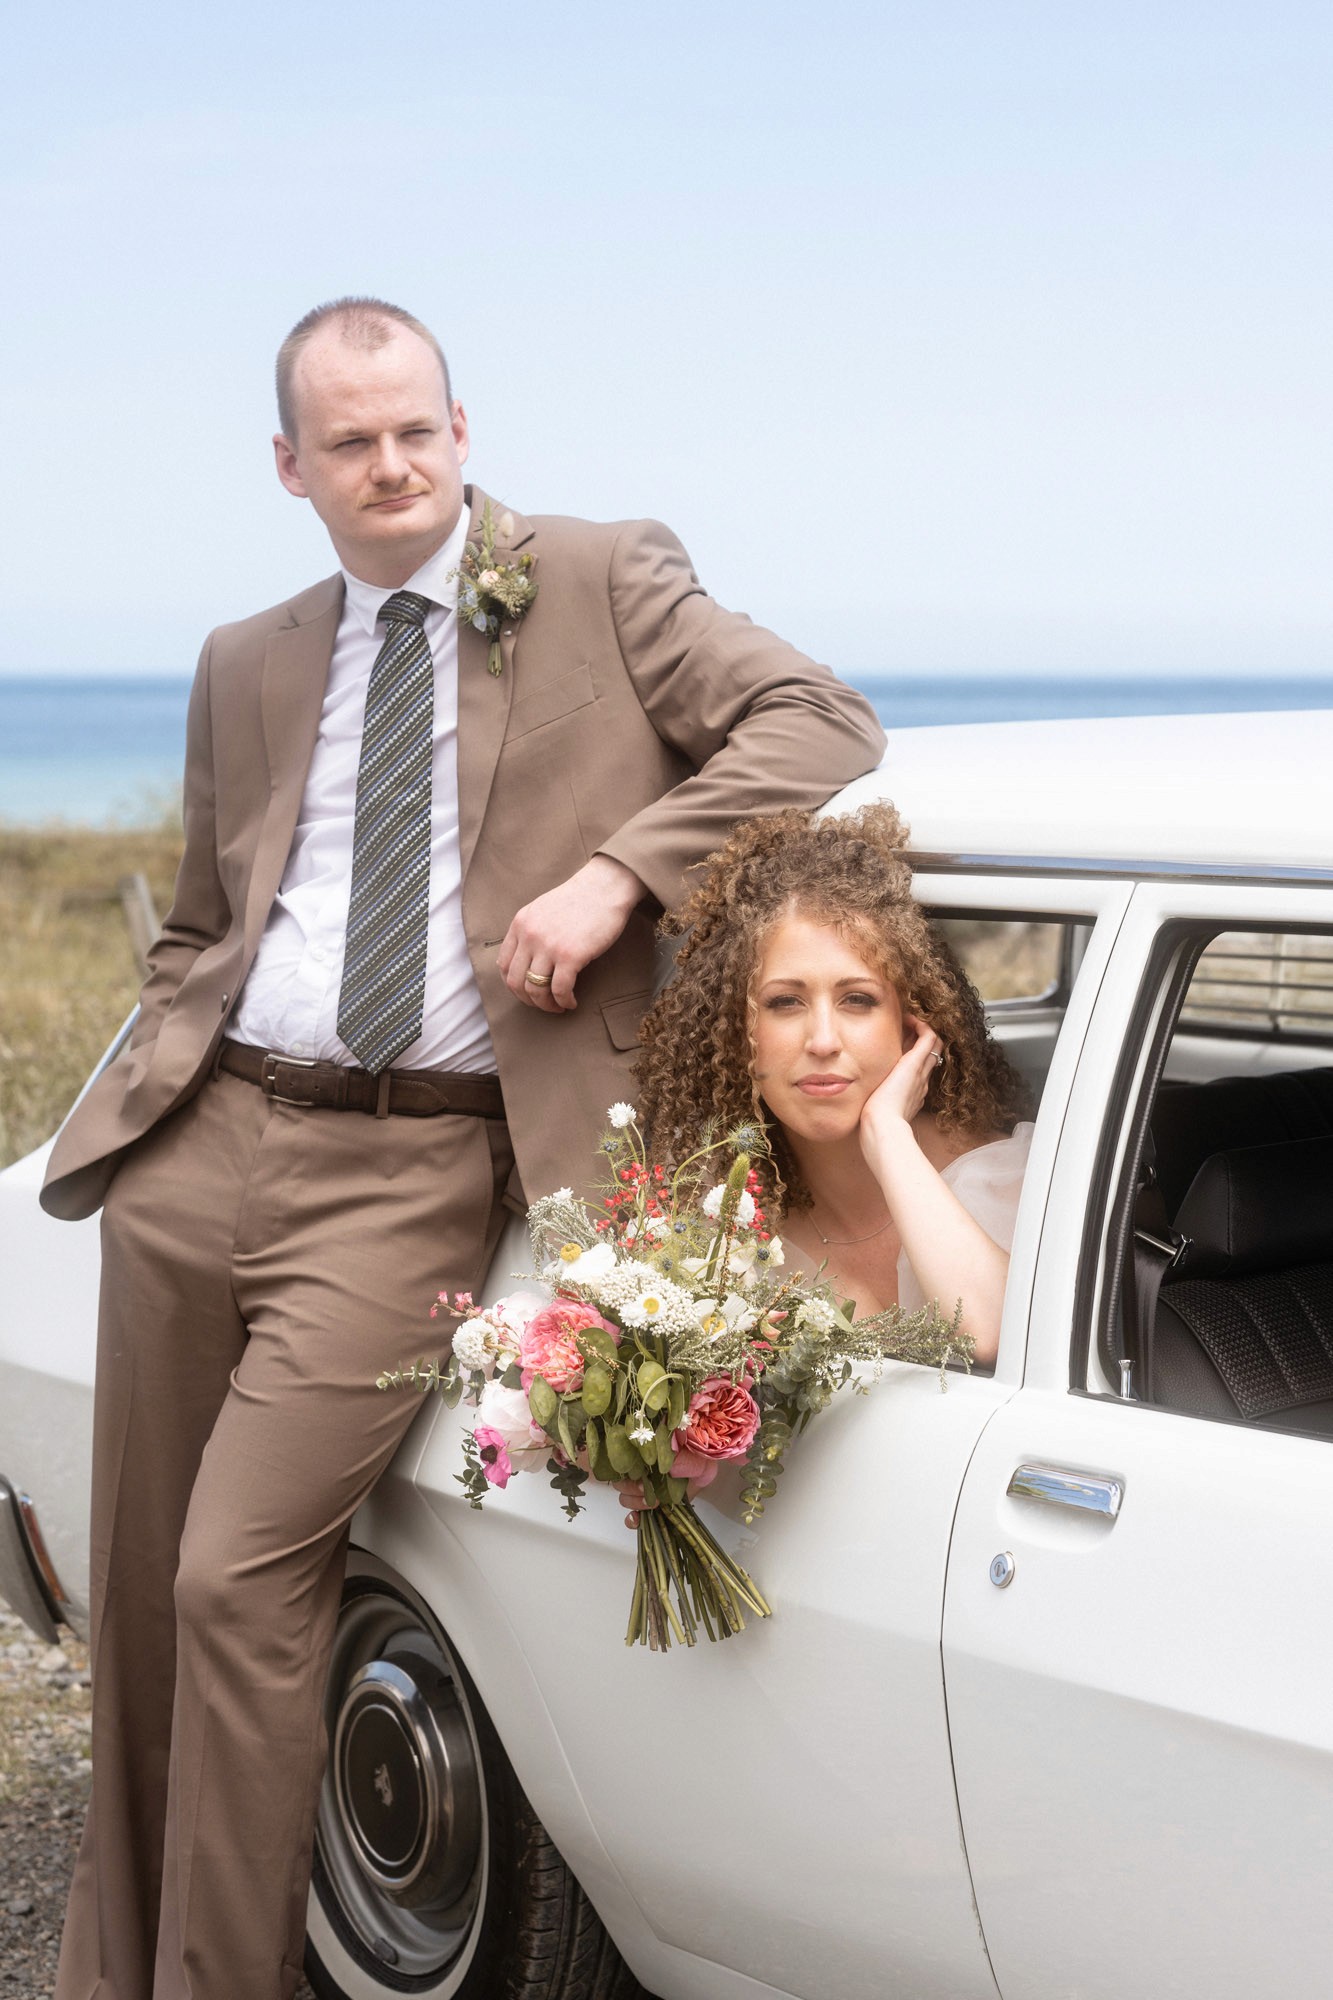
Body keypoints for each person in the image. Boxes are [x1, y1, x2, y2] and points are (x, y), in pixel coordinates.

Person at [40, 297, 886, 2000]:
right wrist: (167, 1088)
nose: (392, 466)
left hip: (408, 1171)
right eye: (349, 442)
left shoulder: (600, 577)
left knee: (233, 1581)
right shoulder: (246, 657)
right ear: (291, 466)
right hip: (200, 1151)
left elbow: (818, 720)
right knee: (137, 1607)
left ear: (461, 428)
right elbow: (206, 914)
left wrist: (619, 874)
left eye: (415, 430)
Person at [636, 803, 1033, 1364]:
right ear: (734, 1033)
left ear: (911, 1025)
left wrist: (888, 1135)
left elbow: (991, 1333)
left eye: (858, 1000)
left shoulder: (1016, 1183)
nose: (822, 1040)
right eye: (785, 1002)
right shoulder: (720, 1239)